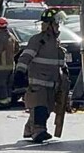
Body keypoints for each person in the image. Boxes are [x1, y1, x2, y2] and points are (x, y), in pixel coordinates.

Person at [14, 9, 67, 143]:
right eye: (56, 24)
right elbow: (26, 56)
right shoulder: (38, 40)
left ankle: (29, 129)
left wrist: (65, 72)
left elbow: (60, 62)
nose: (58, 26)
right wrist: (20, 72)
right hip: (38, 82)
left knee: (47, 109)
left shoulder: (56, 42)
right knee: (40, 107)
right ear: (49, 25)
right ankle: (38, 132)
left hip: (52, 83)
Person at [0, 17, 19, 109]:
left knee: (0, 86)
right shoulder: (12, 36)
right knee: (8, 86)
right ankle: (8, 102)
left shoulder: (0, 37)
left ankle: (2, 103)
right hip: (10, 66)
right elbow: (17, 48)